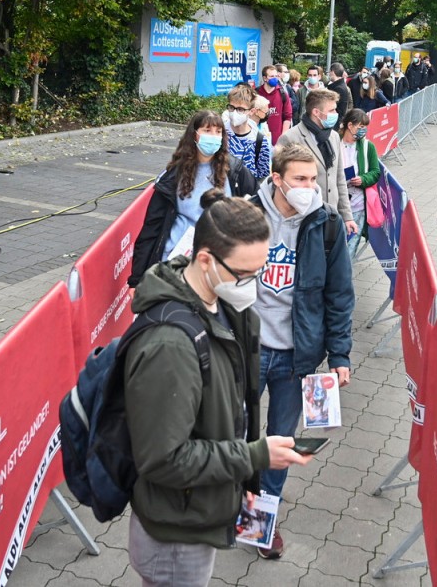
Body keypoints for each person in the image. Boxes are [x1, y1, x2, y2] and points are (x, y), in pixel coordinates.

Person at [124, 191, 313, 585]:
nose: (255, 286)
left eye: (260, 271)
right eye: (245, 274)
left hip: (201, 506)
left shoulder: (221, 302)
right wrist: (253, 456)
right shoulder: (169, 346)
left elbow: (226, 411)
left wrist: (242, 479)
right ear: (206, 259)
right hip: (176, 535)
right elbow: (163, 459)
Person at [250, 144, 354, 559]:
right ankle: (229, 505)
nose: (309, 188)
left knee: (280, 442)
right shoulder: (245, 216)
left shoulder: (325, 224)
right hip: (248, 351)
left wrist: (340, 355)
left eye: (313, 180)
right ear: (277, 179)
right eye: (299, 180)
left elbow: (340, 294)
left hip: (298, 358)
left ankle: (261, 522)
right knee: (235, 436)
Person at [129, 111, 259, 286]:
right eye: (207, 130)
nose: (213, 136)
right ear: (195, 135)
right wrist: (136, 280)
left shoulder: (235, 171)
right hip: (177, 264)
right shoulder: (173, 176)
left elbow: (257, 208)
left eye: (218, 132)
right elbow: (151, 229)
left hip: (220, 264)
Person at [277, 87, 358, 235]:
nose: (336, 114)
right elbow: (280, 184)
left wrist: (347, 216)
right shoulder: (290, 138)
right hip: (302, 220)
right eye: (332, 110)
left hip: (331, 218)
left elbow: (339, 178)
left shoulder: (333, 137)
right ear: (316, 112)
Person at [339, 109, 381, 258]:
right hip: (337, 206)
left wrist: (363, 179)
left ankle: (344, 279)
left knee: (350, 248)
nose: (364, 130)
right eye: (361, 126)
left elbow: (376, 172)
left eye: (365, 127)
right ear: (350, 126)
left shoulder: (367, 146)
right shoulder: (334, 143)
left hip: (357, 206)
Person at [225, 85, 271, 180]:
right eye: (231, 107)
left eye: (240, 109)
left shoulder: (260, 140)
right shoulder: (219, 134)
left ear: (251, 111)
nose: (234, 113)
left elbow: (263, 176)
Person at [257, 65, 293, 141]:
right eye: (272, 76)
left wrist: (283, 136)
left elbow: (288, 116)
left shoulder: (282, 94)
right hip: (259, 139)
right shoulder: (257, 93)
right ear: (265, 78)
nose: (275, 78)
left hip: (277, 139)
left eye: (276, 76)